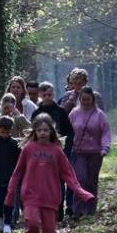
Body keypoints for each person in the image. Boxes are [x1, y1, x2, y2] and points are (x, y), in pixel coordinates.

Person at [5, 114, 94, 233]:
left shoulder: (57, 151)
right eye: (39, 130)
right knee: (32, 225)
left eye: (46, 130)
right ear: (34, 131)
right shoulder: (28, 150)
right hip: (30, 196)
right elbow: (17, 173)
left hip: (51, 197)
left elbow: (68, 174)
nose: (43, 133)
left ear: (51, 132)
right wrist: (10, 194)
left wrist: (82, 193)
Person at [69, 86, 112, 219]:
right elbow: (68, 131)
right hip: (78, 152)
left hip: (95, 153)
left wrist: (105, 148)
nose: (86, 102)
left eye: (88, 99)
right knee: (80, 179)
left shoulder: (100, 115)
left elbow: (105, 132)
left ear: (93, 99)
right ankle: (77, 210)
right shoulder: (74, 113)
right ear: (80, 99)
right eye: (83, 99)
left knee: (92, 181)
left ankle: (90, 209)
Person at [35, 82, 75, 221]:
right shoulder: (36, 113)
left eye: (50, 94)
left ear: (53, 94)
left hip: (58, 153)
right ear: (40, 95)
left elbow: (69, 132)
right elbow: (32, 135)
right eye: (44, 95)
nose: (47, 97)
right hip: (40, 154)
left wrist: (65, 148)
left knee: (58, 182)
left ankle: (58, 211)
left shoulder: (61, 112)